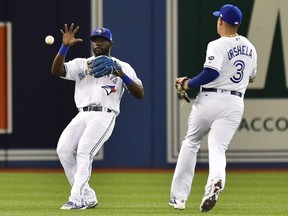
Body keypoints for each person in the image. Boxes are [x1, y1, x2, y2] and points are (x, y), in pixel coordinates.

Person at [169, 4, 257, 212]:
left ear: (220, 21)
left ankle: (179, 198)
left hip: (210, 99)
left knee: (191, 142)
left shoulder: (216, 45)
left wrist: (187, 83)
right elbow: (251, 78)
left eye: (218, 18)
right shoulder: (250, 47)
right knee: (218, 148)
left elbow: (211, 73)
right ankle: (215, 182)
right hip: (235, 102)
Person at [51, 23, 144, 210]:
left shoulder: (123, 66)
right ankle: (88, 196)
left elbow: (139, 92)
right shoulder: (81, 63)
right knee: (63, 149)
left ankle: (76, 199)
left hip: (104, 115)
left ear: (111, 44)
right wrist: (64, 47)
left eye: (102, 40)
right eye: (95, 40)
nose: (98, 43)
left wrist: (121, 74)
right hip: (82, 114)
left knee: (85, 152)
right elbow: (56, 71)